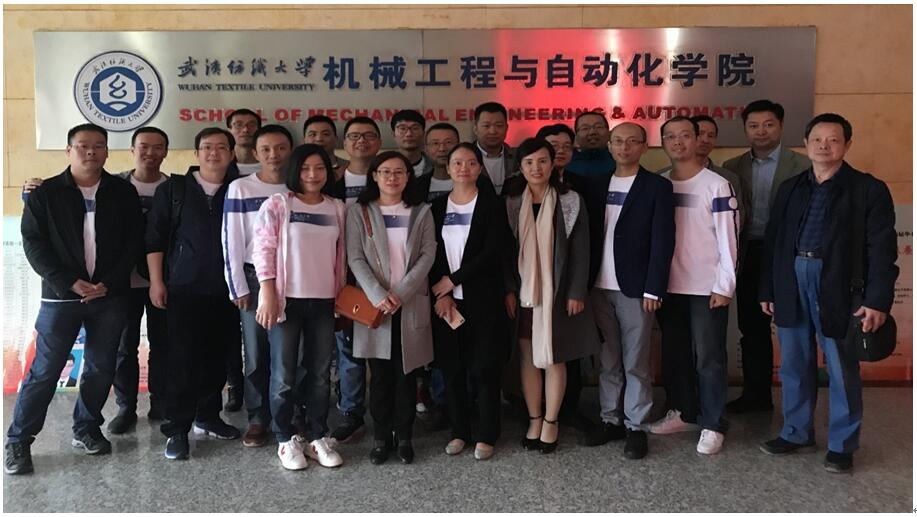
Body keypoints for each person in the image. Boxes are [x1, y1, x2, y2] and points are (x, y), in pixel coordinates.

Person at [758, 113, 897, 473]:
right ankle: (796, 432)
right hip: (791, 279)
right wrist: (768, 288)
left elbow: (882, 249)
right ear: (805, 144)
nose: (824, 146)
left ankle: (842, 444)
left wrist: (876, 300)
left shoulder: (867, 189)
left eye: (833, 140)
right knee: (794, 363)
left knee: (840, 366)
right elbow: (774, 241)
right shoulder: (792, 187)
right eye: (817, 139)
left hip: (839, 284)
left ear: (847, 145)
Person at [6, 123, 143, 475]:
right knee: (45, 370)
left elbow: (134, 242)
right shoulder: (46, 193)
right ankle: (19, 441)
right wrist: (67, 282)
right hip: (60, 298)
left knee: (101, 367)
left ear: (107, 151)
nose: (91, 151)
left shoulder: (122, 192)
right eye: (82, 145)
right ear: (69, 151)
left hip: (109, 296)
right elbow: (34, 243)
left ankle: (86, 428)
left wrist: (108, 282)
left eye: (98, 145)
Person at [570, 122, 675, 459]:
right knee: (609, 358)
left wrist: (654, 288)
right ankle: (610, 419)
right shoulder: (596, 185)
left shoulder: (657, 187)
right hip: (598, 287)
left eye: (632, 142)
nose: (624, 147)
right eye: (618, 141)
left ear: (644, 146)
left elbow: (663, 240)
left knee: (636, 361)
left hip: (636, 289)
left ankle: (636, 425)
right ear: (610, 146)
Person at [146, 127, 243, 461]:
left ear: (232, 153)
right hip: (183, 288)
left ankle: (208, 416)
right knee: (182, 360)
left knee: (218, 358)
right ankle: (177, 429)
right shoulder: (174, 190)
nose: (214, 153)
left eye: (221, 147)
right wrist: (157, 282)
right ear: (197, 153)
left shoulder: (239, 189)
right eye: (207, 147)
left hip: (229, 290)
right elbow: (155, 239)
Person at [252, 144, 347, 470]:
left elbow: (341, 255)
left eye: (319, 168)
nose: (313, 174)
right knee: (283, 375)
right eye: (305, 168)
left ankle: (317, 435)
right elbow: (263, 249)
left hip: (324, 302)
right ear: (295, 170)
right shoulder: (278, 204)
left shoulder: (337, 208)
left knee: (320, 374)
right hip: (286, 301)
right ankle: (285, 438)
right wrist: (267, 291)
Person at [648, 116, 739, 456]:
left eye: (685, 135)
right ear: (662, 143)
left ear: (697, 139)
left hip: (706, 288)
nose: (678, 142)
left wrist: (724, 285)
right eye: (670, 136)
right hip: (669, 286)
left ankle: (713, 423)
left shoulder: (717, 185)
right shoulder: (659, 184)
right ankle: (685, 413)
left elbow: (729, 240)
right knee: (675, 354)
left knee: (709, 357)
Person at [505, 138, 600, 454]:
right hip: (525, 294)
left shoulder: (570, 200)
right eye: (529, 162)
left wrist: (576, 291)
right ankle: (534, 417)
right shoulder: (511, 202)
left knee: (555, 357)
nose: (536, 168)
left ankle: (551, 420)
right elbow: (505, 254)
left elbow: (582, 250)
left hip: (557, 293)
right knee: (528, 357)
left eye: (542, 161)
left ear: (553, 163)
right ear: (520, 167)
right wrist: (509, 289)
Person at [346, 151, 436, 465]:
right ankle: (381, 438)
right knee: (381, 377)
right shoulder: (360, 211)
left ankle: (405, 437)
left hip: (408, 303)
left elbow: (428, 254)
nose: (392, 177)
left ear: (408, 177)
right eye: (385, 171)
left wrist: (401, 292)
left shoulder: (421, 211)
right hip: (376, 307)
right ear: (374, 175)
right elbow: (355, 256)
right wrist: (377, 293)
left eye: (399, 172)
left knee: (407, 374)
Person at [723, 100, 812, 413]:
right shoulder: (732, 167)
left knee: (796, 326)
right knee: (752, 328)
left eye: (768, 124)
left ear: (781, 126)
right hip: (749, 252)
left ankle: (799, 402)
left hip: (788, 255)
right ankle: (756, 396)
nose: (761, 131)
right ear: (745, 129)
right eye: (753, 125)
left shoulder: (803, 165)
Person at [429, 143, 511, 461]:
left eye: (471, 163)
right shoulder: (437, 208)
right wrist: (444, 292)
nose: (464, 168)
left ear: (479, 168)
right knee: (452, 370)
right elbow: (432, 253)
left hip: (484, 301)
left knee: (485, 368)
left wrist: (454, 280)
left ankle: (487, 434)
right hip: (448, 304)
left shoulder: (492, 205)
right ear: (448, 168)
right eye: (457, 163)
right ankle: (459, 431)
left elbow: (493, 252)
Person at [222, 124, 293, 447]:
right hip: (254, 279)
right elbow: (231, 240)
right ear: (255, 153)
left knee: (291, 354)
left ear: (290, 150)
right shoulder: (241, 188)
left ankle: (291, 415)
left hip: (295, 278)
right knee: (256, 353)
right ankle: (258, 417)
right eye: (266, 149)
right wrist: (237, 286)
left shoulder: (299, 185)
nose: (273, 155)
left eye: (280, 148)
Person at [109, 127, 171, 434]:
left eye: (158, 147)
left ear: (165, 152)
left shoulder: (175, 188)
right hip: (122, 282)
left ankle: (160, 403)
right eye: (144, 146)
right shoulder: (113, 185)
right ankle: (126, 407)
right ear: (132, 150)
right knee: (124, 346)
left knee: (163, 345)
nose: (150, 152)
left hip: (163, 280)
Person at [533, 122, 592, 431]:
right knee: (532, 350)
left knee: (568, 348)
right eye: (553, 145)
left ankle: (567, 409)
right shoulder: (520, 189)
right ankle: (535, 411)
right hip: (532, 287)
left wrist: (578, 289)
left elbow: (586, 243)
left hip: (567, 284)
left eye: (566, 146)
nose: (560, 151)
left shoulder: (579, 188)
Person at [328, 116, 383, 444]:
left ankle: (386, 412)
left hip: (385, 277)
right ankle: (352, 413)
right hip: (342, 275)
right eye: (354, 136)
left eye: (368, 135)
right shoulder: (330, 182)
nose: (361, 141)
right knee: (348, 348)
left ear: (379, 142)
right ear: (344, 143)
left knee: (383, 346)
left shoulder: (389, 176)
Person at [657, 115, 745, 217]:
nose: (705, 140)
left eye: (710, 135)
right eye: (671, 137)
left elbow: (733, 220)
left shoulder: (723, 182)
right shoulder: (658, 180)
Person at [472, 102, 518, 194]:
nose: (492, 131)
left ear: (507, 128)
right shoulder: (464, 158)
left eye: (499, 125)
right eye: (486, 126)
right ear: (476, 129)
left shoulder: (518, 157)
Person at [413, 122, 462, 202]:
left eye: (448, 142)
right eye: (435, 143)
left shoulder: (477, 183)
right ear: (426, 149)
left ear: (459, 146)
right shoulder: (416, 185)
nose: (442, 149)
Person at [566, 111, 616, 179]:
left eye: (598, 127)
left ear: (608, 132)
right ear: (576, 136)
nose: (592, 132)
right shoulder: (566, 162)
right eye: (585, 128)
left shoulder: (620, 160)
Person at [303, 114, 349, 180]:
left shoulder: (349, 167)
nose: (319, 139)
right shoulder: (297, 168)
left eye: (325, 134)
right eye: (313, 134)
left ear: (336, 139)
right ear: (304, 140)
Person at [391, 109, 433, 177]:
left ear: (423, 134)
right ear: (393, 134)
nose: (409, 134)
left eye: (415, 128)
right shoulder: (383, 167)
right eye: (402, 128)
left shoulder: (436, 167)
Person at [226, 108, 263, 177]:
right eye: (238, 125)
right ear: (229, 131)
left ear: (259, 130)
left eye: (251, 125)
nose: (245, 130)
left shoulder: (270, 165)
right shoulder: (221, 167)